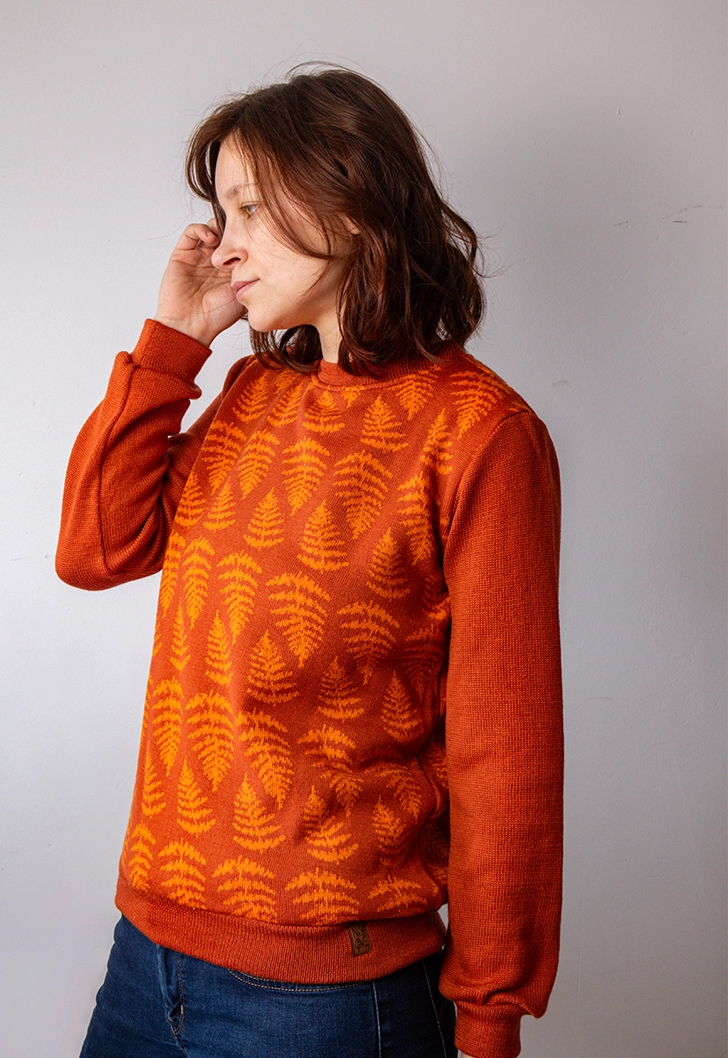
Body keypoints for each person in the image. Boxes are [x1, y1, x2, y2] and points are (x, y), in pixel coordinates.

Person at [56, 65, 563, 1058]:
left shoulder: (478, 433)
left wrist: (489, 1016)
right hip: (146, 957)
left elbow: (504, 751)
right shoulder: (253, 392)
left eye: (250, 207)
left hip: (328, 1000)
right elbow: (95, 548)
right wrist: (175, 342)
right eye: (222, 211)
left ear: (352, 199)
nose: (224, 243)